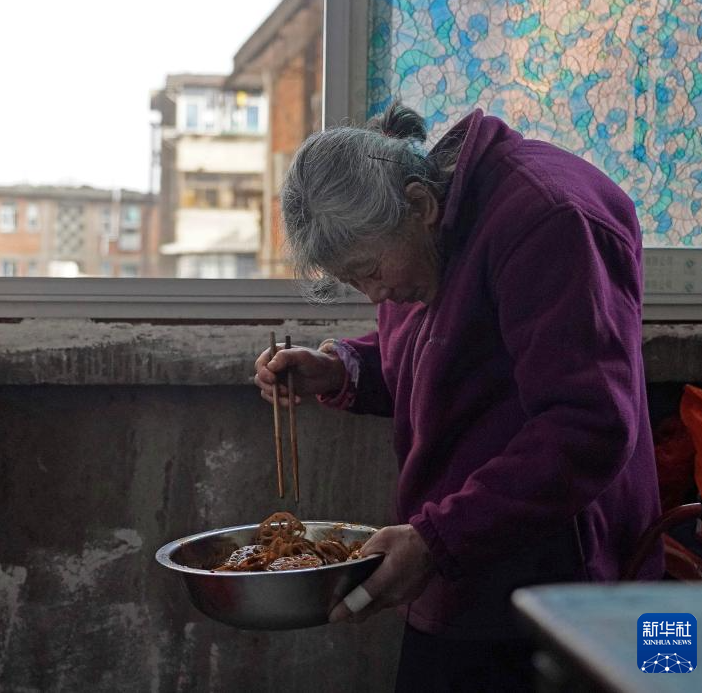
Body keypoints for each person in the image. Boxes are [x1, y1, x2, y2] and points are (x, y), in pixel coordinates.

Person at [253, 101, 663, 692]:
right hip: (460, 568)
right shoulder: (425, 232)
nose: (375, 295)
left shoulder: (549, 217)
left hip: (560, 585)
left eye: (369, 271)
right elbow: (451, 354)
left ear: (419, 204)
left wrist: (435, 540)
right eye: (353, 282)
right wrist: (340, 369)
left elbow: (588, 425)